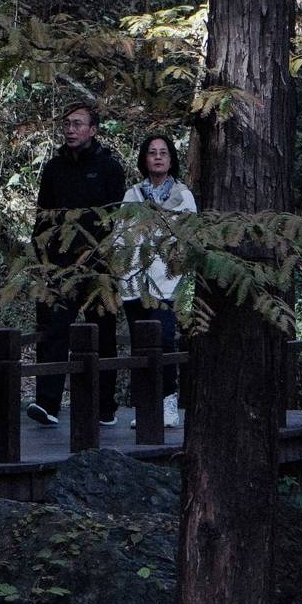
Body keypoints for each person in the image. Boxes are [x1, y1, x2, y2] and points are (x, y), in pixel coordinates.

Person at [29, 100, 127, 427]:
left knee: (104, 335)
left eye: (78, 124)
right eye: (67, 123)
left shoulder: (110, 167)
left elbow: (114, 219)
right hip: (59, 267)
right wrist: (42, 259)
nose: (71, 129)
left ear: (93, 130)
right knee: (54, 330)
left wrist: (97, 255)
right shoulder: (54, 168)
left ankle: (103, 406)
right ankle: (47, 404)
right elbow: (43, 216)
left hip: (100, 266)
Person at [117, 131, 193, 424]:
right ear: (144, 158)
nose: (158, 157)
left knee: (163, 340)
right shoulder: (132, 195)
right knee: (141, 345)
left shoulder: (183, 196)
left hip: (167, 284)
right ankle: (146, 406)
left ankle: (168, 404)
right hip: (135, 283)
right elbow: (121, 237)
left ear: (171, 159)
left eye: (163, 152)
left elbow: (189, 240)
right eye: (152, 152)